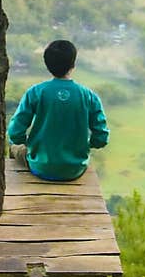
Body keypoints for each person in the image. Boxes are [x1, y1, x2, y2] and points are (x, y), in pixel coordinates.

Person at [7, 39, 109, 181]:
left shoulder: (36, 92)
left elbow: (15, 132)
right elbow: (101, 138)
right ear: (73, 64)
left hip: (40, 167)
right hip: (75, 169)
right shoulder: (89, 96)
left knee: (13, 146)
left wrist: (28, 144)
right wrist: (84, 144)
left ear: (47, 64)